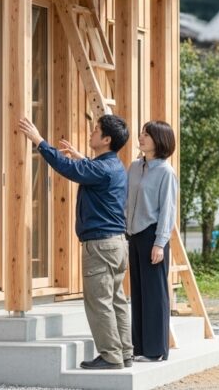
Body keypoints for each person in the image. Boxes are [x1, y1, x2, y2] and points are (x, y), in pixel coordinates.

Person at [17, 114, 133, 370]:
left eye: (96, 130)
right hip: (117, 245)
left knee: (99, 303)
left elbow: (69, 169)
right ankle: (125, 353)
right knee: (116, 301)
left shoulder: (101, 169)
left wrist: (39, 141)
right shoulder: (115, 166)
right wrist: (82, 158)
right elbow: (90, 170)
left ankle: (111, 356)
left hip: (100, 246)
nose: (91, 132)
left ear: (106, 139)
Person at [124, 121, 178, 363]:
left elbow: (168, 210)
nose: (141, 136)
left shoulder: (166, 172)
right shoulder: (135, 167)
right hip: (133, 235)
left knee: (154, 294)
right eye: (142, 133)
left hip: (152, 236)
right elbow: (126, 201)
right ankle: (140, 348)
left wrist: (160, 243)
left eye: (147, 134)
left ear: (160, 140)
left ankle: (156, 350)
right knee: (138, 293)